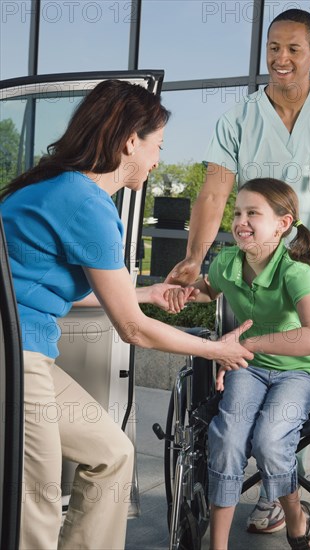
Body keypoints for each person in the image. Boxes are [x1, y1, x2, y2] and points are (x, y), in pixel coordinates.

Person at [0, 80, 254, 550]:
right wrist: (215, 348)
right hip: (15, 353)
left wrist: (145, 292)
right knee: (33, 497)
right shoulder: (85, 203)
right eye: (158, 145)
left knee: (112, 454)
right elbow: (132, 330)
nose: (158, 159)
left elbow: (44, 284)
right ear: (129, 141)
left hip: (23, 347)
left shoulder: (60, 187)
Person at [166, 8, 310, 532]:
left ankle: (278, 486)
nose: (281, 58)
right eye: (273, 48)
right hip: (258, 263)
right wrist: (194, 256)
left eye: (293, 49)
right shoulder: (240, 117)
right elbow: (214, 190)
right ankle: (274, 489)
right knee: (254, 381)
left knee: (304, 366)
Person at [165, 177, 310, 550]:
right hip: (250, 366)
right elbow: (209, 289)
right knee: (227, 439)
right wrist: (181, 291)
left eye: (252, 213)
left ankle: (295, 520)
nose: (241, 220)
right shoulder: (228, 261)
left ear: (283, 224)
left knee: (270, 441)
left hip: (299, 370)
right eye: (238, 212)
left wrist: (247, 342)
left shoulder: (296, 271)